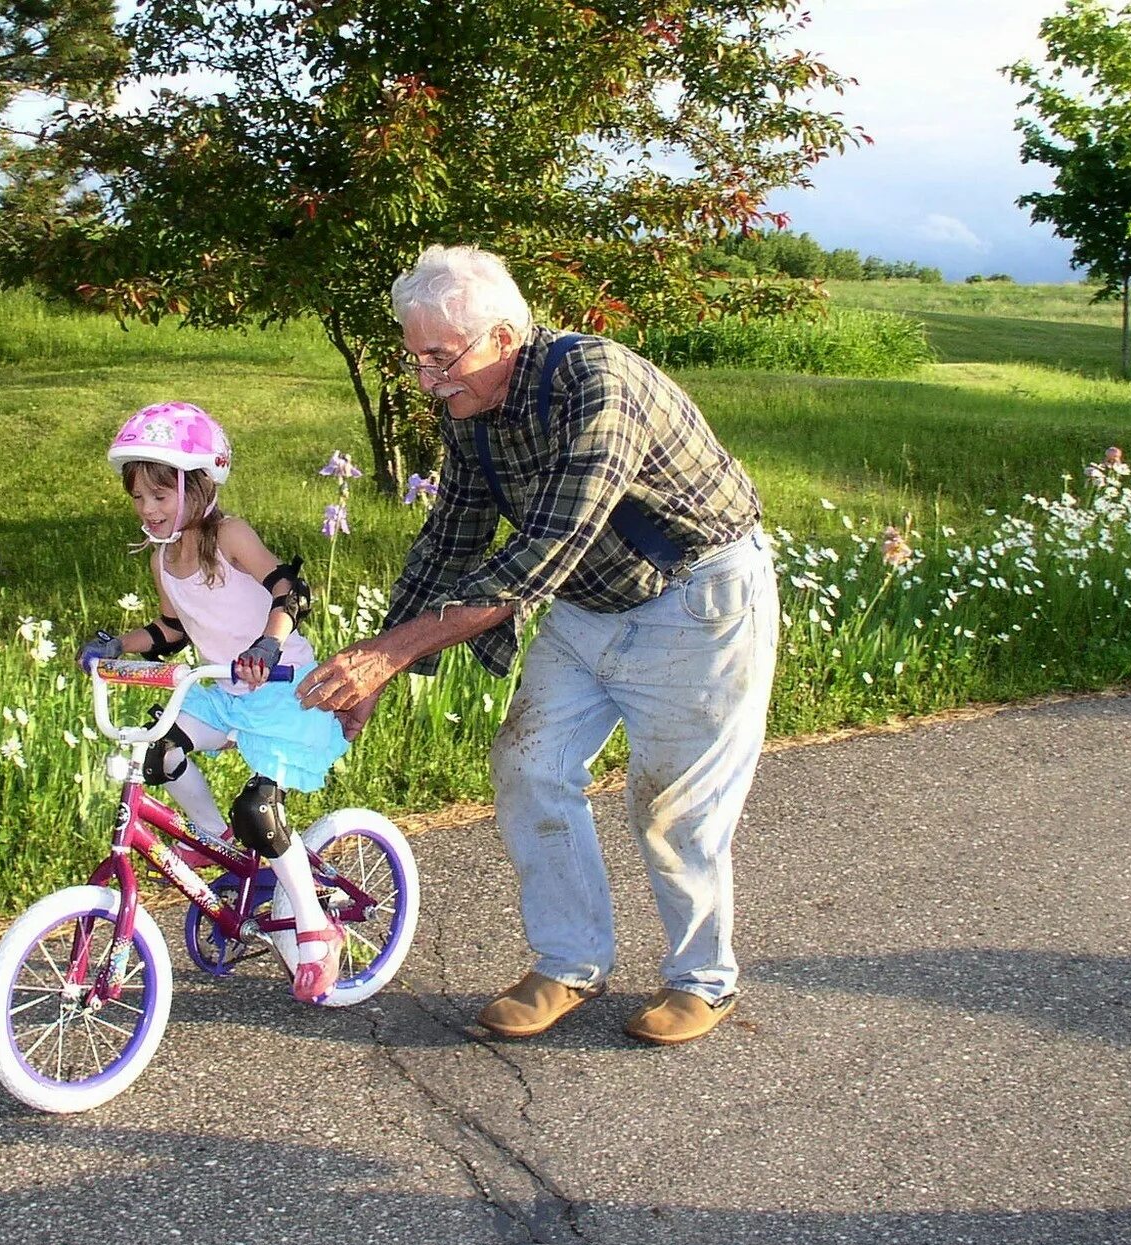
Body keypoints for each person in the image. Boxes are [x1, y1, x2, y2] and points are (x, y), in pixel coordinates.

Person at [298, 245, 777, 1044]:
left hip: (696, 600)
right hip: (590, 603)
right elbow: (450, 540)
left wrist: (394, 653)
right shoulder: (470, 412)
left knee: (672, 808)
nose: (426, 379)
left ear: (503, 337)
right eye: (415, 357)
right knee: (528, 765)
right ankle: (570, 964)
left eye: (440, 357)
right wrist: (380, 663)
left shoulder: (598, 384)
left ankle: (703, 979)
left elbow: (542, 553)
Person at [81, 401, 350, 1002]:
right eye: (139, 499)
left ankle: (314, 928)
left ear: (198, 486)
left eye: (161, 495)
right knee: (158, 752)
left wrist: (267, 644)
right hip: (225, 691)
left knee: (260, 811)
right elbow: (170, 633)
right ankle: (215, 842)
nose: (149, 510)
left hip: (283, 690)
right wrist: (113, 644)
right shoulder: (162, 558)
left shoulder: (228, 535)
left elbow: (289, 587)